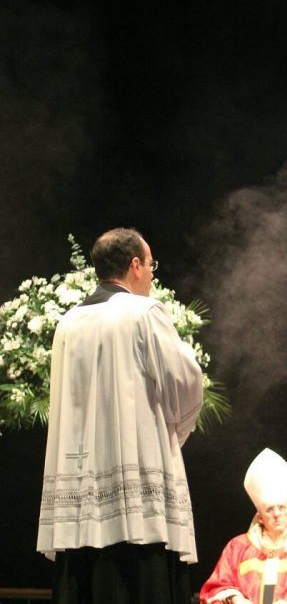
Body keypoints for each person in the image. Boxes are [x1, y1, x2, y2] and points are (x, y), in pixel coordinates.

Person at [37, 227, 204, 604]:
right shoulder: (144, 313)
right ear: (135, 265)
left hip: (80, 498)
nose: (151, 275)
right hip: (137, 495)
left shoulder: (68, 322)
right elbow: (186, 382)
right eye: (151, 266)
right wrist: (171, 437)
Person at [199, 448, 287, 604]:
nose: (277, 514)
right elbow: (216, 587)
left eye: (281, 508)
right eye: (270, 509)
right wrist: (236, 599)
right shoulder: (237, 547)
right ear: (259, 517)